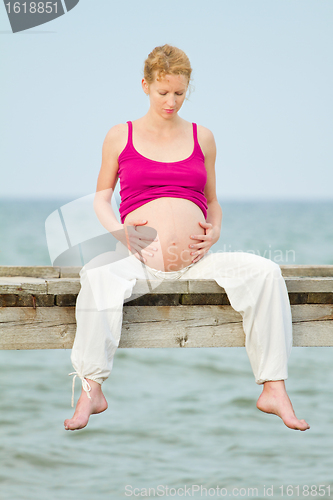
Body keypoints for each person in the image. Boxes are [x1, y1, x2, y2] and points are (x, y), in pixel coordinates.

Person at [64, 44, 310, 432]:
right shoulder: (120, 135)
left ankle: (274, 388)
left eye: (179, 93)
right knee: (96, 276)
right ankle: (92, 389)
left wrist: (215, 229)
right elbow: (100, 197)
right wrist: (119, 231)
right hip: (139, 260)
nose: (171, 101)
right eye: (163, 92)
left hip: (198, 260)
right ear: (145, 85)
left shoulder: (203, 137)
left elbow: (213, 201)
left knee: (265, 272)